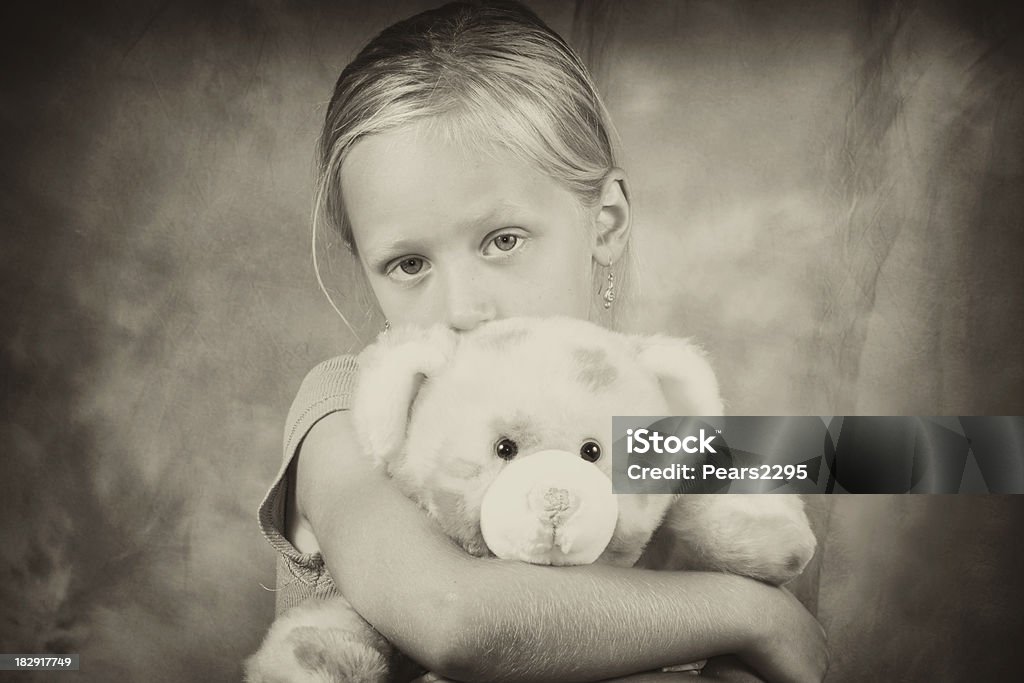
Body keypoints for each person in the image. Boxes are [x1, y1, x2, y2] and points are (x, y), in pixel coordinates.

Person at [258, 2, 828, 681]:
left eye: (502, 241)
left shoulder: (648, 424)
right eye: (409, 264)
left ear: (606, 223)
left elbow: (915, 455)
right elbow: (455, 617)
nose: (463, 309)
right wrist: (758, 615)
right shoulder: (348, 413)